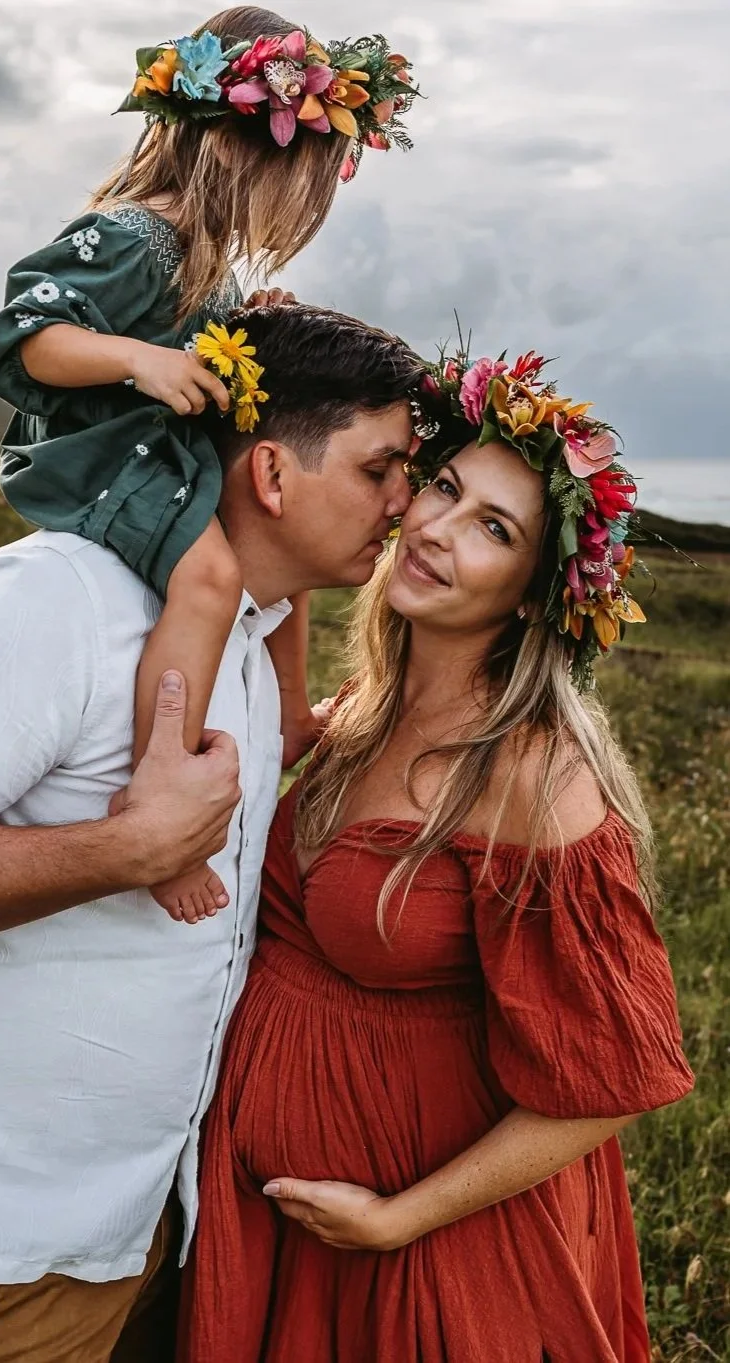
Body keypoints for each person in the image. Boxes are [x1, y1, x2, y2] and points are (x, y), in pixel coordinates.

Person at [0, 303, 425, 1363]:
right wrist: (124, 852)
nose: (401, 504)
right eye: (377, 470)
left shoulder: (255, 642)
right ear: (270, 474)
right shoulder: (58, 599)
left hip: (135, 1231)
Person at [179, 344, 695, 1362]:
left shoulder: (528, 773)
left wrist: (397, 1219)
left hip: (417, 1245)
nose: (437, 529)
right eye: (443, 488)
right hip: (275, 1216)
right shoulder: (363, 711)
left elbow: (609, 1082)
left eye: (492, 527)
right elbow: (273, 568)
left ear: (532, 594)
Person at [0, 6, 417, 921]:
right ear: (228, 147)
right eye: (288, 181)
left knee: (283, 549)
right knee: (214, 575)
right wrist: (137, 359)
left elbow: (203, 342)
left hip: (162, 450)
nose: (289, 209)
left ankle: (291, 712)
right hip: (104, 454)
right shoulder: (139, 232)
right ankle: (160, 805)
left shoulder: (204, 260)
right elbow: (28, 338)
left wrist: (248, 321)